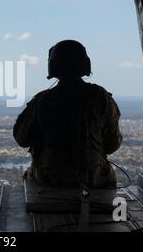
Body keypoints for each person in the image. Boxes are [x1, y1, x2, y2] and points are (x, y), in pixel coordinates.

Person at [13, 40, 122, 189]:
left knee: (29, 178)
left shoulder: (43, 100)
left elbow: (22, 138)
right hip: (95, 180)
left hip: (50, 180)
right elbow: (112, 145)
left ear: (53, 67)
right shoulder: (101, 98)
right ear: (85, 65)